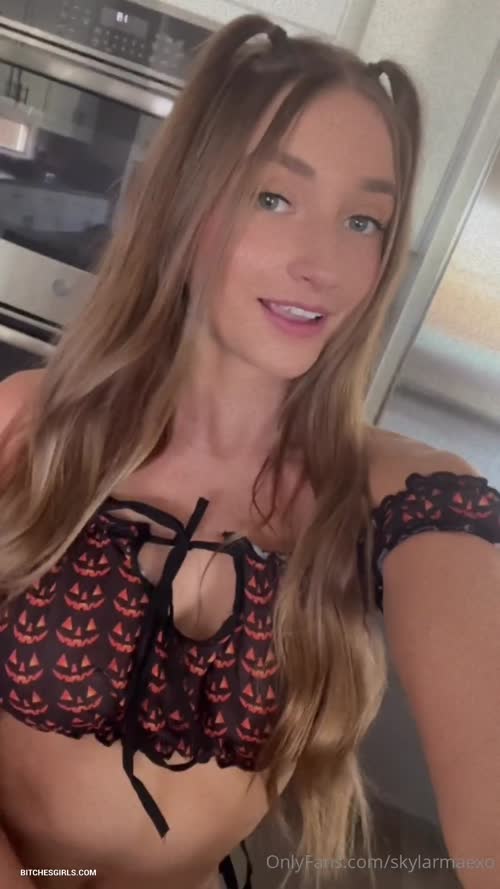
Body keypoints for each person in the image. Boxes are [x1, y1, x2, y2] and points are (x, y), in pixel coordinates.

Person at [0, 13, 498, 889]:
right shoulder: (27, 424)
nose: (323, 264)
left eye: (364, 221)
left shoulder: (403, 496)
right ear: (185, 205)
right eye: (274, 198)